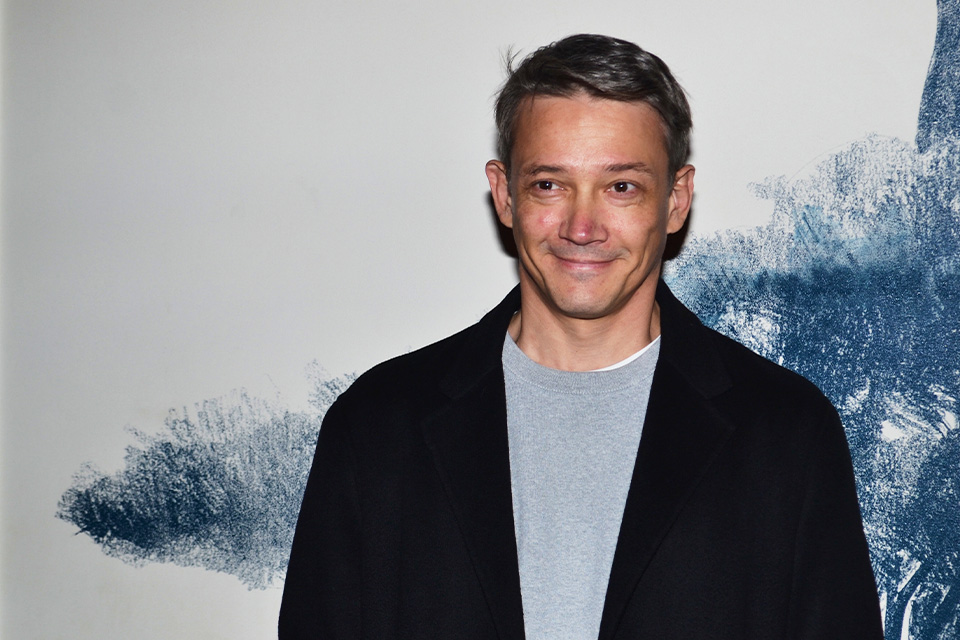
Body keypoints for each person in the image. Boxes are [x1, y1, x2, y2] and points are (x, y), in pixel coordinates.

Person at [279, 34, 883, 639]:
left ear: (676, 201)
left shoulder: (786, 435)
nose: (582, 227)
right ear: (504, 194)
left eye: (621, 187)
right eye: (549, 184)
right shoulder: (377, 428)